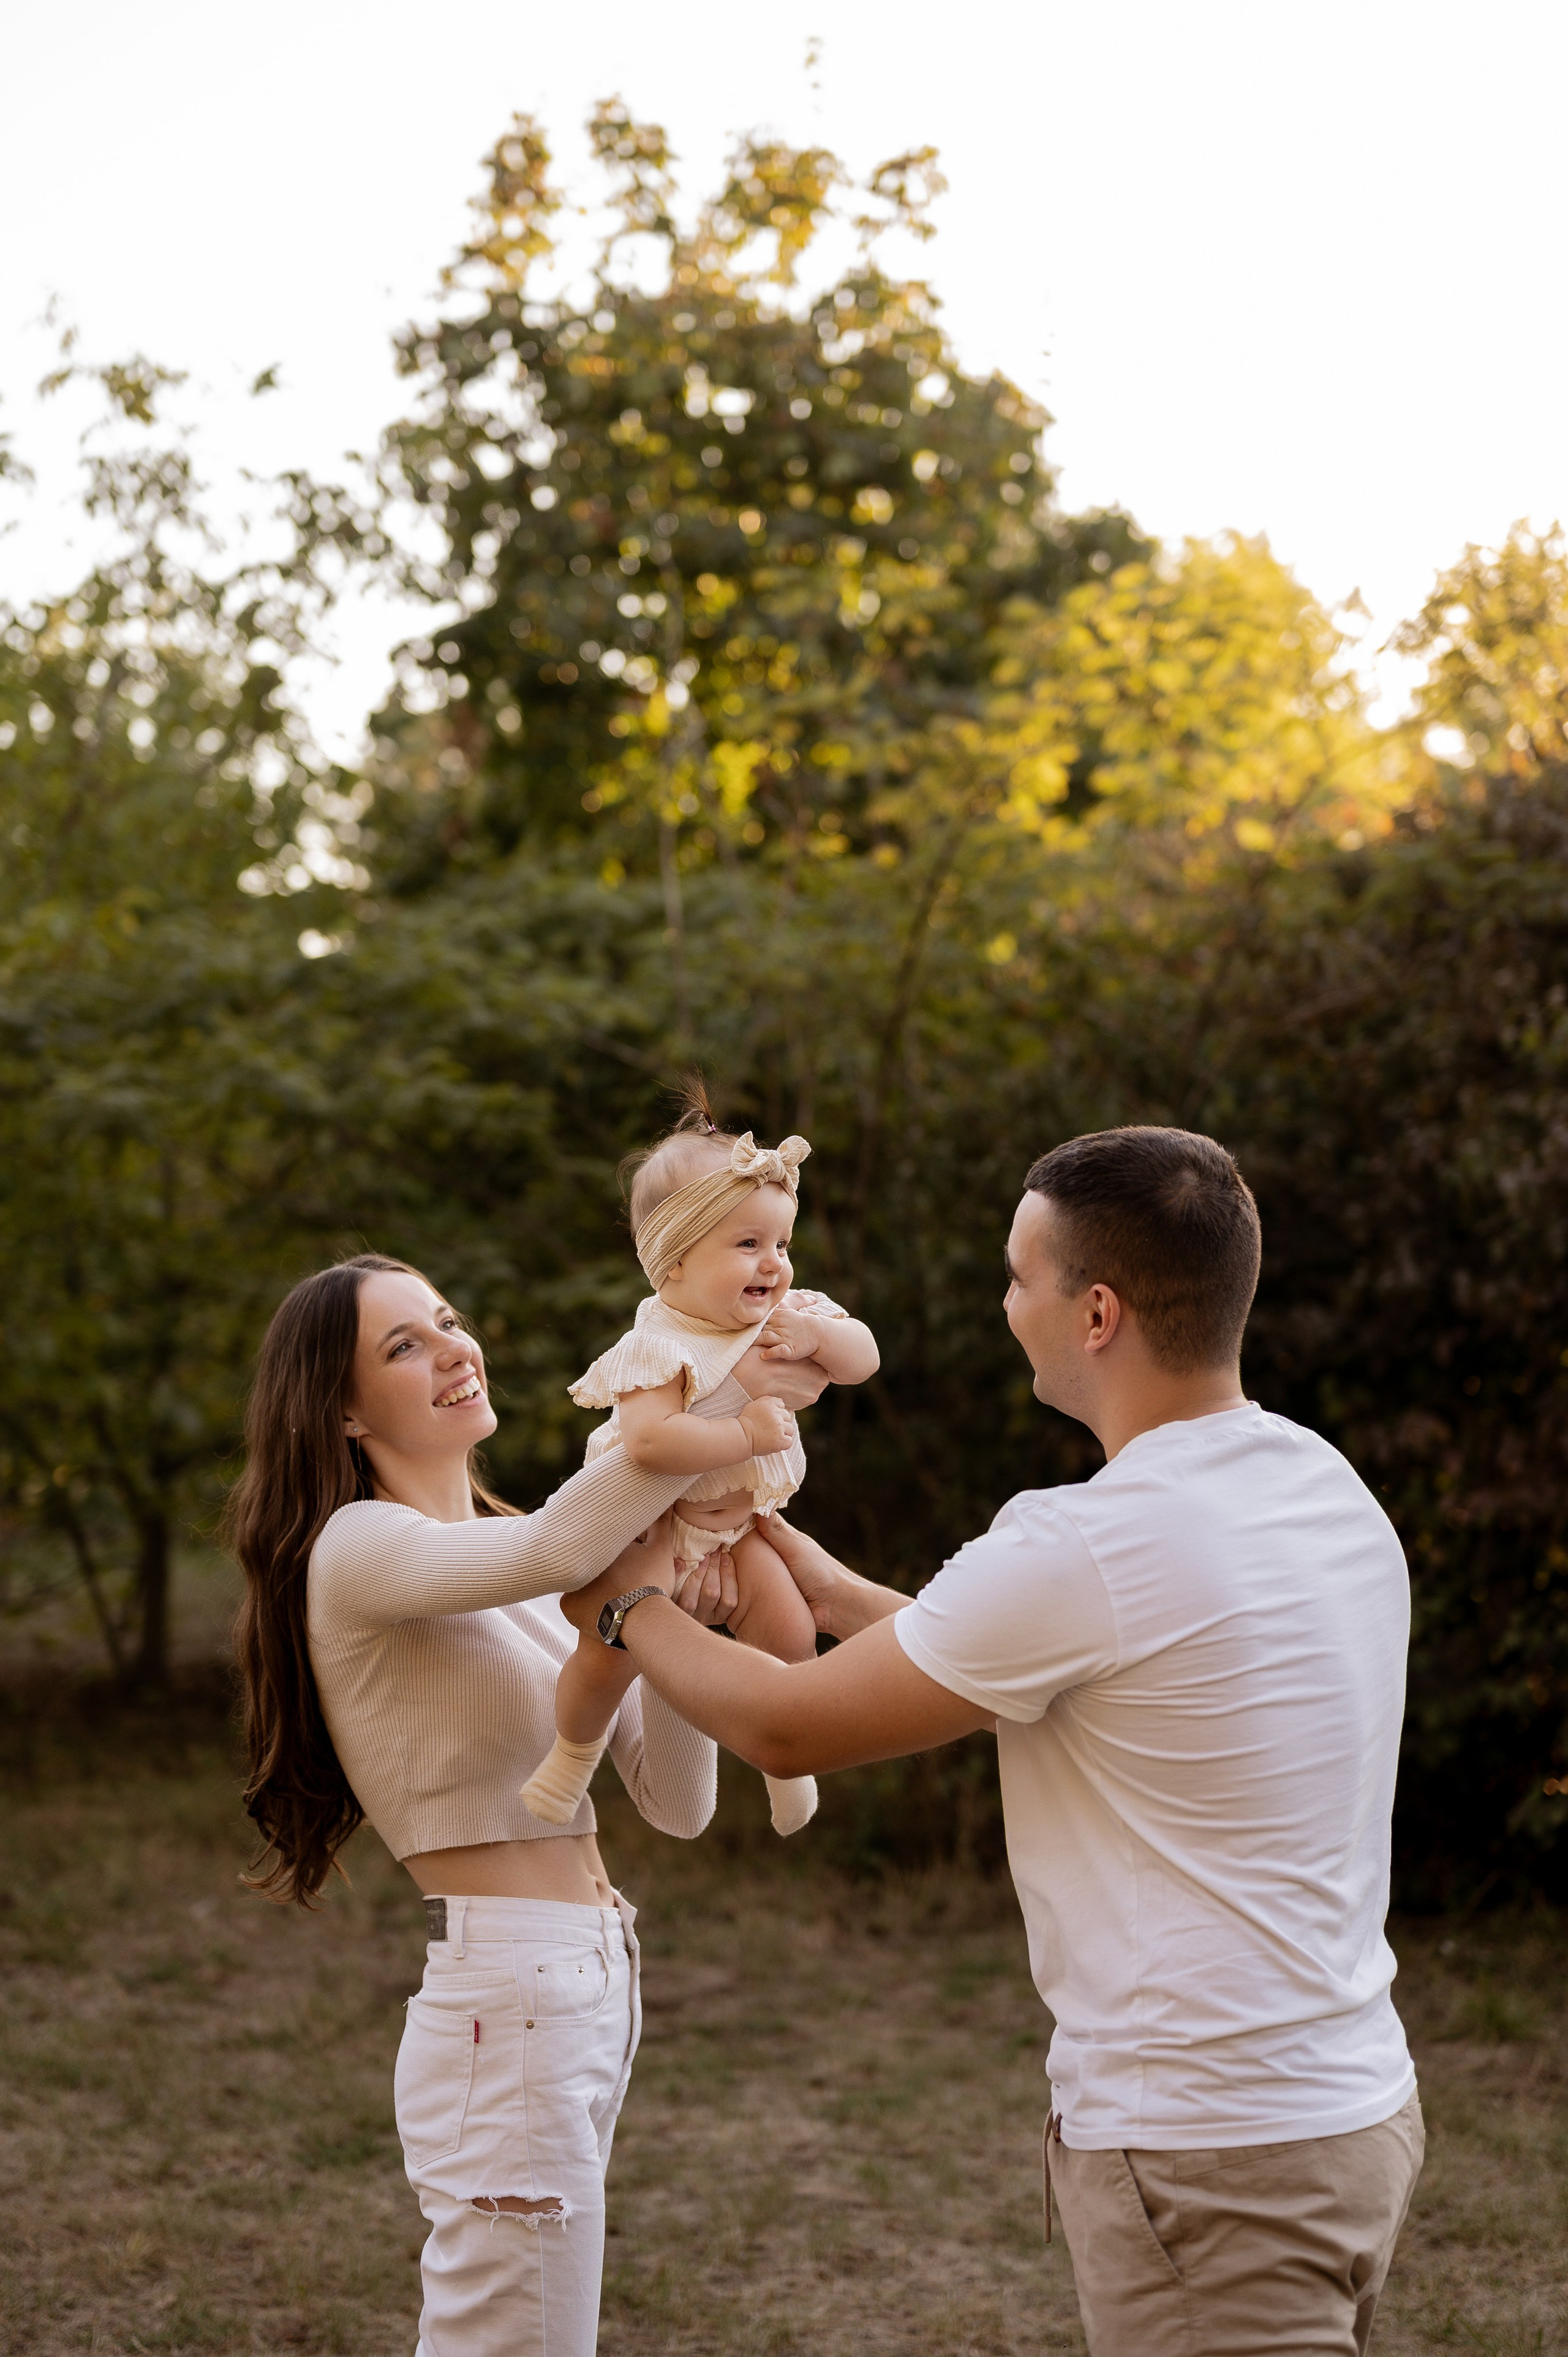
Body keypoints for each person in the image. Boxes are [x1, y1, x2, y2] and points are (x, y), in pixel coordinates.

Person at [565, 1127, 1424, 2357]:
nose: (1000, 1302)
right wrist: (826, 1588)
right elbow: (1084, 1677)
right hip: (1351, 2113)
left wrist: (621, 1605)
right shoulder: (1313, 1479)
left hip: (1208, 2155)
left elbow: (781, 1722)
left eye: (1018, 1276)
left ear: (1094, 1313)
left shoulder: (1085, 1542)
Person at [227, 1250, 825, 2357]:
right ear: (346, 1410)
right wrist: (723, 1392)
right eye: (404, 1344)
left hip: (584, 1977)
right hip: (512, 1992)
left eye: (449, 1319)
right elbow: (560, 1537)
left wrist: (684, 1608)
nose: (456, 1347)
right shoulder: (359, 1549)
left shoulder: (520, 1573)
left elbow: (675, 1800)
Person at [522, 1102, 878, 1839]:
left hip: (740, 1528)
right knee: (606, 1661)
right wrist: (743, 1427)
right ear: (675, 1260)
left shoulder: (789, 1314)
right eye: (747, 1243)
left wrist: (818, 1333)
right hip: (650, 1531)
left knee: (789, 1633)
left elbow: (863, 1359)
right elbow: (650, 1445)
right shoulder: (659, 1343)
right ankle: (570, 1755)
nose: (773, 1262)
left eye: (781, 1241)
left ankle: (789, 1761)